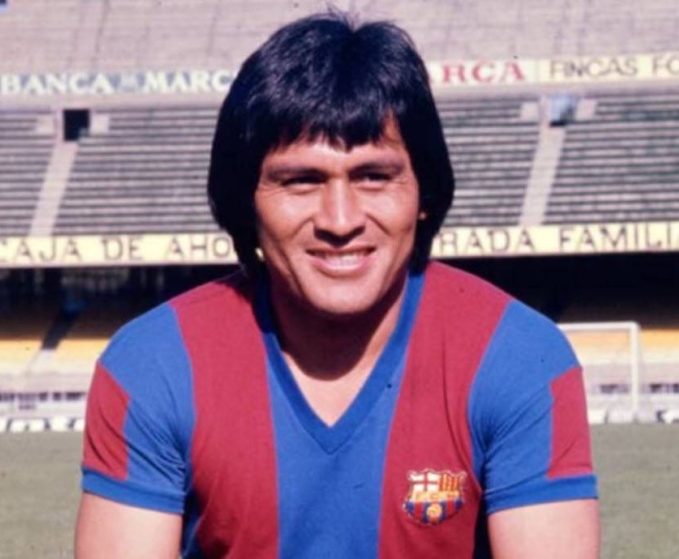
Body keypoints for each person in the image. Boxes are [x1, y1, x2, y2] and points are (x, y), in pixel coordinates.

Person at [75, 11, 598, 559]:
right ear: (245, 202)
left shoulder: (517, 356)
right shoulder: (156, 363)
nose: (340, 220)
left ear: (423, 194)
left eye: (374, 177)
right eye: (301, 181)